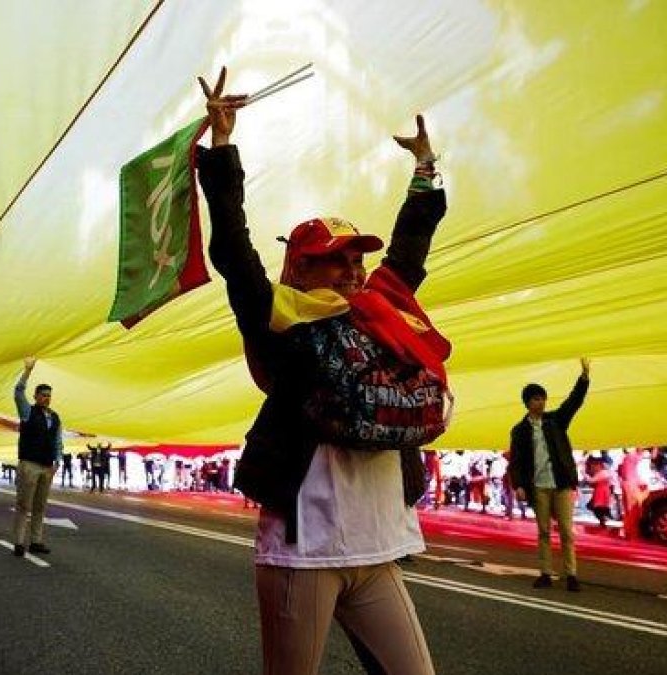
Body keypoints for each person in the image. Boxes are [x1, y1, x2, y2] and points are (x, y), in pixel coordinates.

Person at [197, 67, 451, 674]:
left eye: (353, 258)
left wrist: (425, 168)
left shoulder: (383, 311)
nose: (349, 270)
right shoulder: (280, 321)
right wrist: (223, 145)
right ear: (299, 272)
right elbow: (233, 250)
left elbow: (410, 248)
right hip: (303, 553)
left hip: (377, 551)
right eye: (330, 261)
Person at [507, 358, 591, 592]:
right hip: (538, 486)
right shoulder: (520, 430)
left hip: (562, 483)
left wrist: (584, 378)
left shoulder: (556, 420)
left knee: (566, 530)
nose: (541, 402)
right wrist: (519, 485)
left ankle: (571, 574)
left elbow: (574, 402)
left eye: (543, 398)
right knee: (543, 531)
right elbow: (516, 461)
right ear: (527, 403)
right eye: (536, 398)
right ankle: (545, 573)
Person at [12, 356, 62, 557]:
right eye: (43, 395)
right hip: (29, 464)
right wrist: (27, 371)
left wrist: (57, 461)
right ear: (35, 396)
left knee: (40, 506)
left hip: (47, 466)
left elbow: (58, 440)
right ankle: (18, 542)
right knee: (24, 505)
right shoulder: (27, 412)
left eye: (49, 395)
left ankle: (36, 541)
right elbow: (17, 392)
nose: (46, 398)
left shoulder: (55, 417)